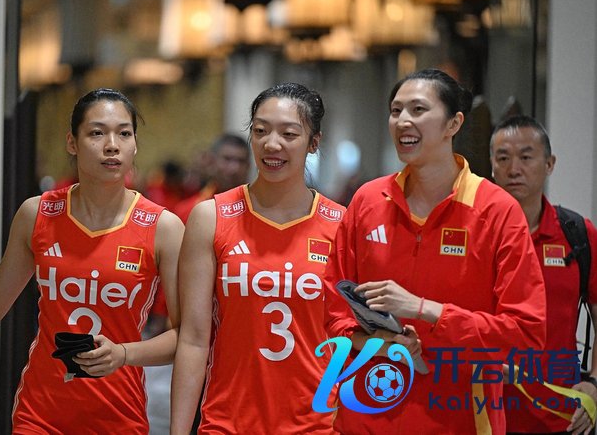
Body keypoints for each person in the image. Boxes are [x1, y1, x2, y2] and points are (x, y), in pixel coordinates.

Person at [0, 88, 184, 433]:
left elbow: (186, 337)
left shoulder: (163, 227)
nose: (112, 145)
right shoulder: (38, 214)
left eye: (124, 133)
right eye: (97, 133)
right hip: (40, 413)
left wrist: (124, 353)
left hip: (119, 415)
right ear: (72, 143)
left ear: (135, 144)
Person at [323, 68, 546, 434]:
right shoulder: (367, 201)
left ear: (453, 124)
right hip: (364, 416)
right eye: (396, 111)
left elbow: (524, 332)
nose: (403, 121)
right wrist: (380, 343)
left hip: (460, 418)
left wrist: (426, 311)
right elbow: (333, 311)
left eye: (418, 109)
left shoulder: (497, 211)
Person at [170, 82, 345, 434]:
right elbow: (193, 338)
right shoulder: (211, 217)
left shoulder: (342, 225)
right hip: (227, 422)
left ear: (314, 142)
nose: (271, 144)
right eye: (261, 131)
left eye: (289, 134)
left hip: (316, 424)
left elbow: (350, 336)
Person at [490, 115, 597, 435]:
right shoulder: (474, 235)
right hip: (483, 414)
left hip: (560, 416)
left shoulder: (577, 234)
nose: (514, 169)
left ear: (549, 164)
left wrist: (594, 382)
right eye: (503, 158)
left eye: (526, 157)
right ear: (491, 166)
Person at [173, 133, 250, 224]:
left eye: (241, 161)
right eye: (227, 159)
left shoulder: (258, 209)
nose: (234, 168)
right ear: (212, 161)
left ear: (248, 166)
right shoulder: (188, 211)